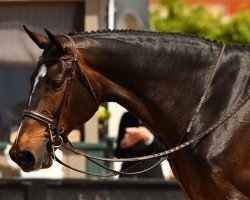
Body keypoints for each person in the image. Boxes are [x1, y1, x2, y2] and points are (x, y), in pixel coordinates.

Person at [114, 112, 166, 179]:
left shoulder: (157, 118)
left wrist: (148, 137)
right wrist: (125, 144)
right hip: (128, 176)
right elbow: (118, 153)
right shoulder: (127, 116)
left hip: (152, 176)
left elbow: (165, 151)